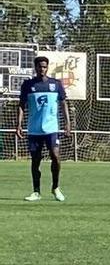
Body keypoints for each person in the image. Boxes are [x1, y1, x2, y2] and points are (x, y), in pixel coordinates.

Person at [17, 56, 70, 202]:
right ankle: (36, 191)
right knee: (35, 160)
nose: (42, 69)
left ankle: (56, 187)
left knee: (56, 156)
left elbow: (64, 103)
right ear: (35, 67)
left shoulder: (56, 84)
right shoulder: (28, 85)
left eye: (45, 66)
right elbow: (22, 105)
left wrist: (67, 123)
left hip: (52, 128)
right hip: (34, 129)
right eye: (40, 66)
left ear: (48, 67)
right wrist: (19, 125)